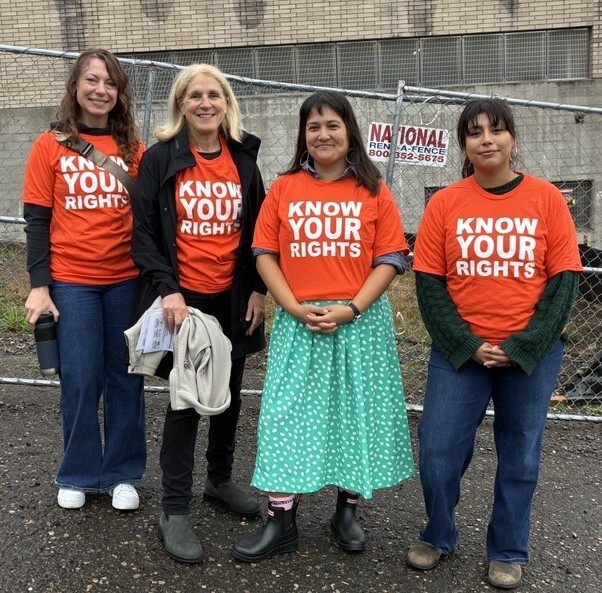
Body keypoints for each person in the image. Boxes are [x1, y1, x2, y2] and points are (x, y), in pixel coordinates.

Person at [232, 90, 415, 563]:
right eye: (313, 127)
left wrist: (351, 309)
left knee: (355, 415)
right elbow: (264, 253)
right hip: (301, 321)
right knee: (286, 417)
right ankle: (282, 520)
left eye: (332, 124)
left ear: (349, 130)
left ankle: (346, 512)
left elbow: (391, 258)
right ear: (303, 136)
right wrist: (291, 306)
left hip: (358, 323)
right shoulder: (286, 187)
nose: (323, 134)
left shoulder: (373, 189)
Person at [408, 98, 583, 589]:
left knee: (520, 454)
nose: (486, 139)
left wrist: (524, 345)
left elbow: (563, 281)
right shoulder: (445, 203)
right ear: (463, 143)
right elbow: (429, 283)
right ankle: (438, 532)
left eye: (497, 130)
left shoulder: (547, 199)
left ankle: (507, 548)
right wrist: (465, 343)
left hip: (531, 353)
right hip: (461, 353)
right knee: (438, 449)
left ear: (512, 138)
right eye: (475, 132)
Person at [130, 64, 267, 564]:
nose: (205, 103)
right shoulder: (162, 159)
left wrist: (257, 291)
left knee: (229, 393)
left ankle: (219, 479)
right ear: (180, 104)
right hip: (182, 301)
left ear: (226, 103)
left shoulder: (244, 160)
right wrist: (167, 290)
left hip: (233, 298)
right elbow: (142, 233)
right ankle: (173, 508)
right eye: (195, 96)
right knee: (186, 400)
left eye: (214, 95)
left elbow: (260, 233)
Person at [22, 49, 147, 511]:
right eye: (92, 80)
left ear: (120, 93)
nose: (100, 90)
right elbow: (36, 219)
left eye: (110, 83)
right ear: (76, 86)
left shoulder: (135, 151)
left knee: (126, 376)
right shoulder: (48, 146)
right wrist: (40, 285)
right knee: (79, 375)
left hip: (125, 281)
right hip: (71, 281)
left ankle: (121, 473)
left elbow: (151, 219)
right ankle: (77, 471)